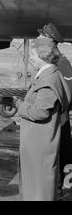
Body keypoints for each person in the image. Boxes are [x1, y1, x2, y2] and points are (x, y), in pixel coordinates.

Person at [17, 37, 71, 201]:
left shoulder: (48, 80)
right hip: (37, 143)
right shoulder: (49, 74)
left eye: (33, 54)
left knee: (39, 188)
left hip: (38, 144)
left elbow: (41, 113)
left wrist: (21, 107)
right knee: (36, 185)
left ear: (42, 56)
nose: (31, 57)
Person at [37, 23, 72, 189]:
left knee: (60, 152)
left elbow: (67, 94)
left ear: (51, 42)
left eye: (42, 38)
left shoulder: (63, 64)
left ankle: (60, 186)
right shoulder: (51, 62)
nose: (38, 41)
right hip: (51, 115)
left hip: (59, 116)